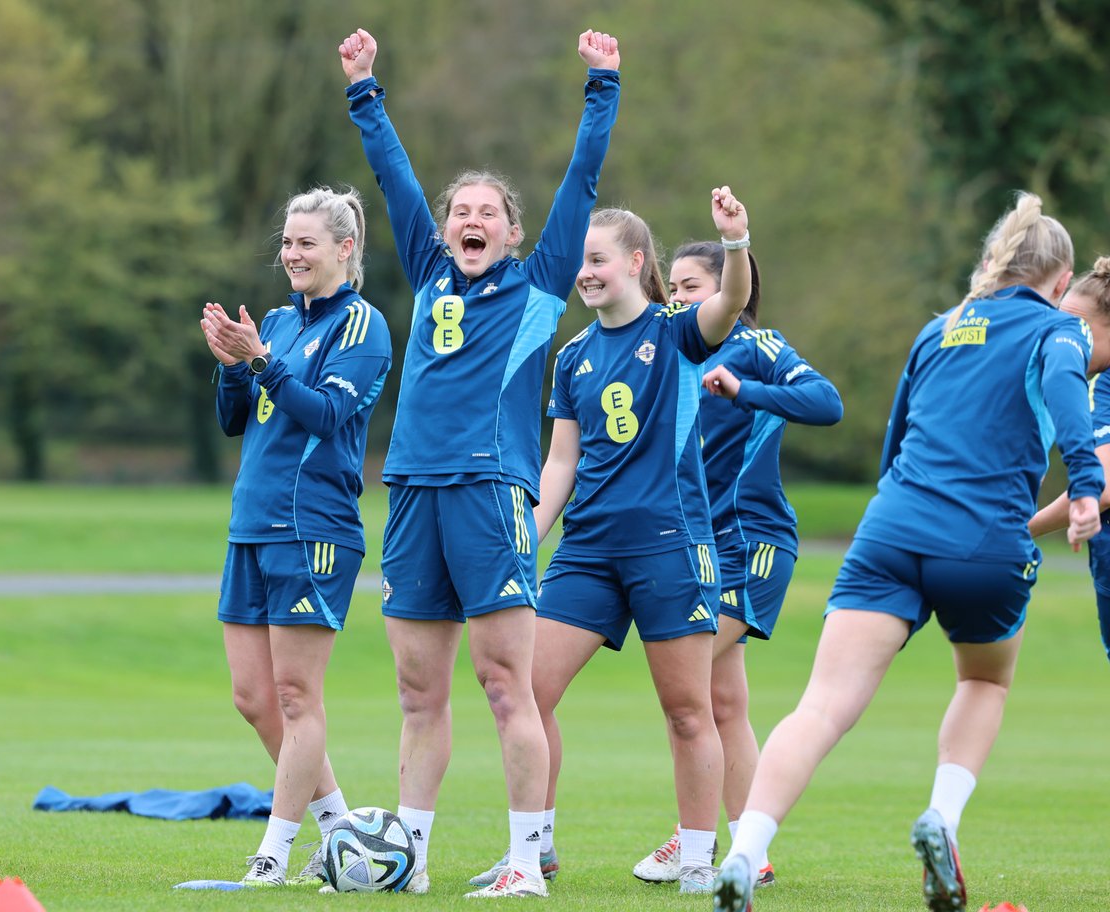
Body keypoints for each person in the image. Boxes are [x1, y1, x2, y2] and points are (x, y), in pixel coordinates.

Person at [711, 191, 1103, 912]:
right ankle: (941, 819)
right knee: (984, 682)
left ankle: (743, 853)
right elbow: (1062, 387)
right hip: (984, 538)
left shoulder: (940, 327)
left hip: (891, 527)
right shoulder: (1061, 330)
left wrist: (895, 510)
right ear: (1059, 282)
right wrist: (1084, 481)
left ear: (993, 262)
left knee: (822, 705)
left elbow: (897, 437)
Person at [337, 26, 621, 898]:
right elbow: (393, 179)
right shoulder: (428, 273)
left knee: (506, 687)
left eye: (486, 213)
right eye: (460, 211)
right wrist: (364, 88)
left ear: (513, 231)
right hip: (413, 493)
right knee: (418, 693)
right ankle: (410, 860)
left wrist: (601, 84)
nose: (469, 221)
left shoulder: (537, 288)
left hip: (491, 492)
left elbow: (583, 180)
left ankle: (526, 862)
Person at [468, 194, 751, 894]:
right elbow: (561, 463)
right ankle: (534, 852)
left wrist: (736, 242)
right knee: (527, 691)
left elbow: (731, 302)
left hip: (668, 545)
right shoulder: (572, 357)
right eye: (579, 264)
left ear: (633, 262)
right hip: (587, 550)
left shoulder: (679, 332)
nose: (584, 274)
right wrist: (525, 537)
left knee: (688, 709)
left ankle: (695, 862)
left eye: (596, 261)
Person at [631, 242, 843, 888]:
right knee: (721, 702)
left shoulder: (756, 345)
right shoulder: (671, 351)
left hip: (751, 544)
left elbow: (827, 402)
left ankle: (690, 835)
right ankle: (754, 850)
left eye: (691, 285)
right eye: (673, 286)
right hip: (699, 546)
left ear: (735, 289)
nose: (677, 297)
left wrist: (745, 390)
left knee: (687, 688)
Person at [200, 187, 393, 887]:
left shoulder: (364, 328)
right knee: (252, 698)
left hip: (314, 529)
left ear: (345, 249)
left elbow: (326, 416)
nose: (291, 254)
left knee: (295, 696)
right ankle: (341, 830)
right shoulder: (277, 322)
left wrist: (261, 361)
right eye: (286, 242)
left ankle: (272, 856)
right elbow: (237, 421)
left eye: (306, 243)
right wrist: (231, 363)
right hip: (249, 527)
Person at [1028, 256, 1110, 661]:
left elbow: (1106, 484)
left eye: (1076, 327)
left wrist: (1021, 532)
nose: (1062, 338)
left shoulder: (1104, 384)